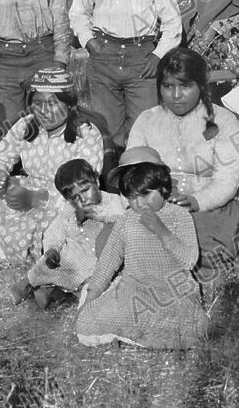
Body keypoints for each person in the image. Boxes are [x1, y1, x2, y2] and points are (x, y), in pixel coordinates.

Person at [127, 47, 239, 302]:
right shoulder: (146, 121)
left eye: (185, 86)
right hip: (156, 205)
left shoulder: (223, 121)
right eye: (168, 86)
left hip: (209, 208)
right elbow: (133, 175)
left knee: (200, 248)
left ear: (201, 86)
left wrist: (195, 201)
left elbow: (227, 181)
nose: (176, 95)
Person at [68, 0, 183, 149]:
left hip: (142, 59)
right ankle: (110, 181)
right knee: (105, 132)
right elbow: (78, 13)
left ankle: (141, 182)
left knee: (147, 129)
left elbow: (172, 20)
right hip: (103, 57)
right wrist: (89, 42)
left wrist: (158, 54)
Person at [75, 147, 207, 350]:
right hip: (134, 291)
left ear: (163, 188)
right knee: (86, 324)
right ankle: (139, 333)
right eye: (131, 197)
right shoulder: (127, 220)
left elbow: (189, 260)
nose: (138, 203)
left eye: (145, 194)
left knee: (194, 330)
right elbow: (108, 263)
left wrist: (162, 231)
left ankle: (140, 333)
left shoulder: (179, 216)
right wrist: (90, 300)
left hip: (173, 292)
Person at [0, 67, 104, 267]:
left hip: (65, 199)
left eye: (51, 103)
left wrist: (36, 198)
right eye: (37, 104)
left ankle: (40, 258)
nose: (43, 111)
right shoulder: (26, 125)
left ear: (69, 104)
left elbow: (85, 191)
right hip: (29, 189)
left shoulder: (86, 133)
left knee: (60, 215)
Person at [9, 158, 127, 309]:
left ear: (96, 182)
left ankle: (53, 292)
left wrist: (96, 214)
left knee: (96, 284)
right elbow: (56, 230)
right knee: (48, 266)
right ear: (67, 200)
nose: (82, 199)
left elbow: (122, 218)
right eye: (74, 197)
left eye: (85, 190)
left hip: (100, 258)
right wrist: (52, 249)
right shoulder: (70, 210)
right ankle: (26, 284)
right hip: (74, 255)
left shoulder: (112, 201)